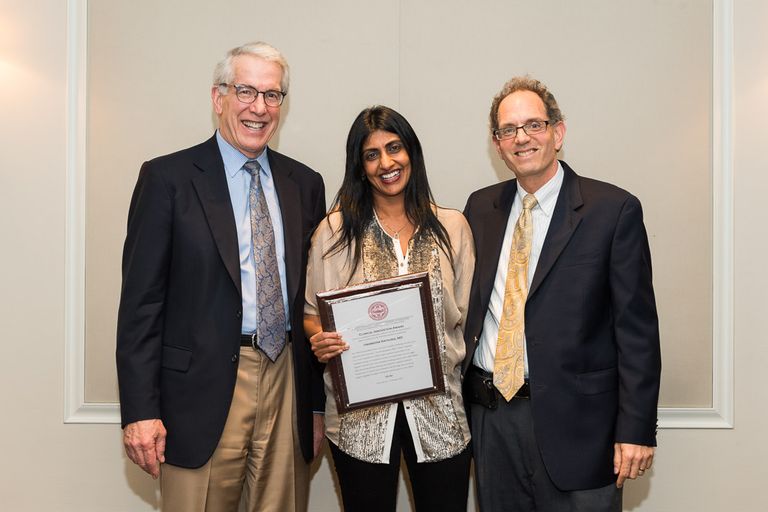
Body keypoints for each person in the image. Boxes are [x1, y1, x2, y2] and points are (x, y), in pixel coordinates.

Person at [116, 41, 326, 512]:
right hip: (199, 392)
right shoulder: (167, 179)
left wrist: (313, 404)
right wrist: (141, 411)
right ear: (219, 98)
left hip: (285, 378)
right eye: (246, 91)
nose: (259, 108)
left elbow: (311, 301)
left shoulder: (305, 184)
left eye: (272, 95)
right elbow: (140, 306)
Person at [462, 76, 662, 512]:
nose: (522, 138)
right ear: (497, 144)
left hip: (581, 426)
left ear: (558, 131)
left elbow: (638, 331)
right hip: (492, 419)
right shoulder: (480, 209)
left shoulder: (612, 210)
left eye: (533, 124)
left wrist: (636, 429)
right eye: (508, 130)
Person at [304, 106, 475, 512]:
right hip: (358, 423)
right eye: (371, 154)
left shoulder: (453, 228)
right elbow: (312, 313)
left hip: (442, 416)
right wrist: (320, 339)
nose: (386, 163)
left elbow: (467, 319)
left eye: (394, 148)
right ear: (360, 167)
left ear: (411, 153)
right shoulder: (333, 232)